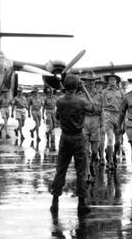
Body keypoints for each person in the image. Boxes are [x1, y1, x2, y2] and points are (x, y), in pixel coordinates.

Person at [50, 74, 96, 215]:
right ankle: (81, 203)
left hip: (65, 137)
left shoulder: (60, 101)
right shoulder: (81, 102)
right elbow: (93, 108)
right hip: (77, 137)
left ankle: (55, 202)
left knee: (61, 169)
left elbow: (57, 117)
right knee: (81, 171)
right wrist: (85, 90)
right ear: (77, 86)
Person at [81, 71, 103, 182]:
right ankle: (87, 173)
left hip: (96, 121)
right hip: (85, 120)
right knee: (85, 150)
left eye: (93, 80)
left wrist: (102, 124)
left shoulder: (100, 94)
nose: (92, 82)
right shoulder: (80, 94)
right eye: (89, 80)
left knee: (95, 151)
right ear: (85, 82)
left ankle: (90, 165)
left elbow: (102, 110)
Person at [101, 72, 125, 172]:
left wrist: (124, 121)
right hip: (108, 114)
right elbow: (101, 107)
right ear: (108, 81)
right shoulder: (104, 92)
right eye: (110, 79)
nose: (112, 81)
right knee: (110, 138)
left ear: (116, 81)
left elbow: (124, 107)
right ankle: (110, 161)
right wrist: (102, 120)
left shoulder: (121, 92)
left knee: (118, 142)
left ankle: (113, 154)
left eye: (114, 79)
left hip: (119, 115)